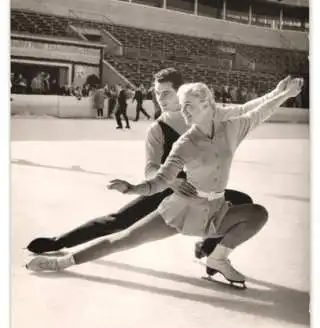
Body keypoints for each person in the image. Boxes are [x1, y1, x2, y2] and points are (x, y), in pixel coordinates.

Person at [26, 75, 303, 285]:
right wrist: (133, 188)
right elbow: (156, 176)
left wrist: (282, 93)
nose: (181, 109)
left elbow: (255, 111)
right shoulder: (173, 137)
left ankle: (216, 257)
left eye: (183, 103)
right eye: (178, 104)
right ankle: (61, 258)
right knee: (123, 233)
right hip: (178, 204)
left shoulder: (229, 125)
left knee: (255, 212)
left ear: (208, 104)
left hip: (214, 208)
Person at [26, 68, 252, 256]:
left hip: (203, 193)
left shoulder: (206, 118)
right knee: (118, 221)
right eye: (157, 93)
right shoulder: (158, 129)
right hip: (167, 190)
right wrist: (172, 183)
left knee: (243, 203)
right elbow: (150, 169)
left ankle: (207, 248)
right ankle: (58, 242)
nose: (159, 99)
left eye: (166, 93)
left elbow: (245, 113)